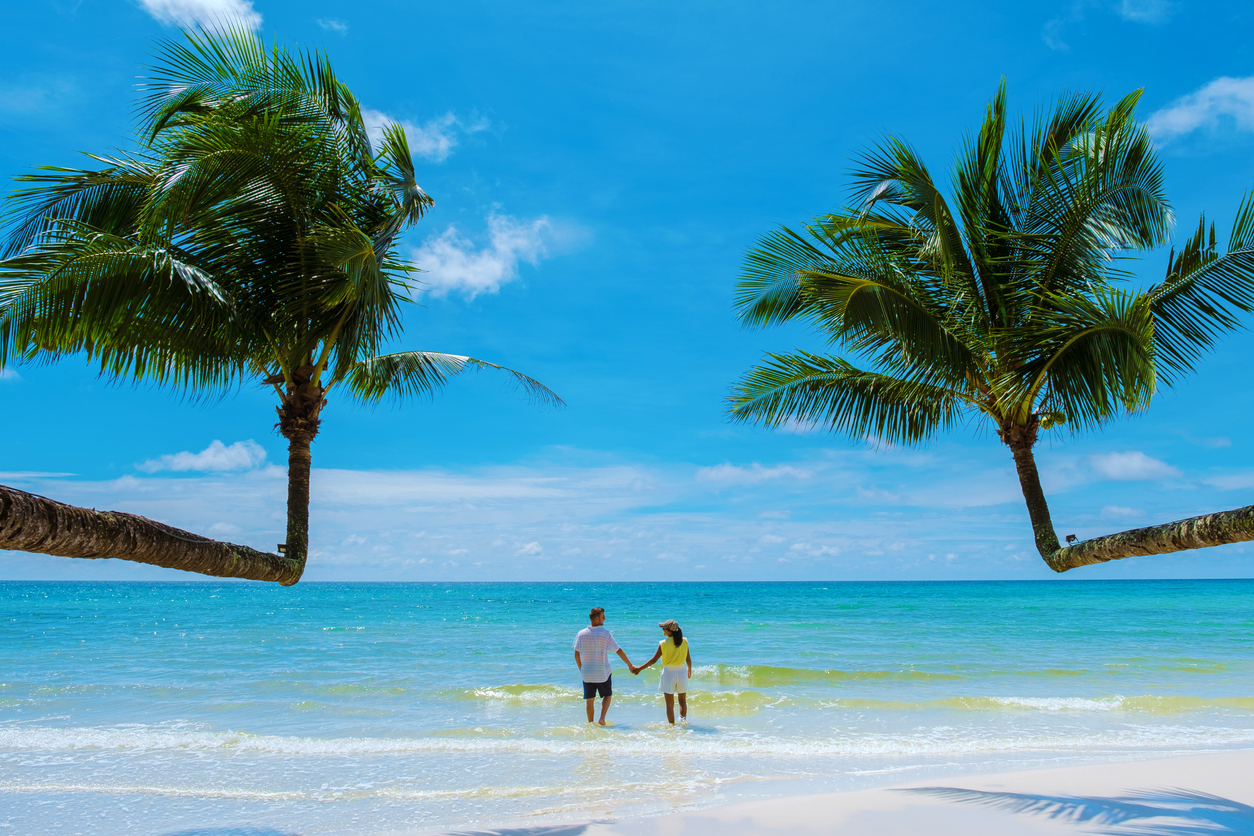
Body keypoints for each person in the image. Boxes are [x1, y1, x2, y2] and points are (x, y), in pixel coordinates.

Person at [573, 607, 636, 725]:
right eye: (603, 617)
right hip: (602, 673)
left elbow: (576, 655)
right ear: (596, 619)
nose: (605, 619)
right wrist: (630, 665)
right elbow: (618, 650)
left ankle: (591, 723)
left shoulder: (580, 634)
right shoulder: (605, 634)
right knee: (607, 695)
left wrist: (581, 669)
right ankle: (602, 718)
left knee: (589, 700)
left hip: (587, 674)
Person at [633, 619, 692, 724]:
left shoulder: (663, 643)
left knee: (669, 705)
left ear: (669, 631)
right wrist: (689, 670)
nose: (663, 630)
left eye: (664, 628)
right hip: (682, 672)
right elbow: (688, 658)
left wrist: (639, 669)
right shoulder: (684, 641)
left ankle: (672, 726)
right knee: (682, 701)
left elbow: (653, 660)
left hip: (669, 674)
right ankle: (683, 723)